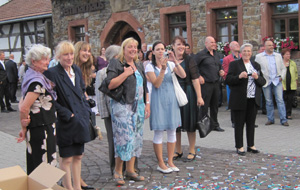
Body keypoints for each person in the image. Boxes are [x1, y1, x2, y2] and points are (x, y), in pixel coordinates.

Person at [44, 41, 91, 190]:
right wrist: (67, 114)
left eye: (71, 54)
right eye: (66, 54)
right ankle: (68, 188)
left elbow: (82, 91)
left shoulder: (76, 70)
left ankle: (77, 187)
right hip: (65, 121)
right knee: (67, 158)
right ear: (58, 56)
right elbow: (49, 99)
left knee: (78, 156)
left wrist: (85, 109)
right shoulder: (51, 73)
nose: (69, 57)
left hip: (80, 119)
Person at [105, 37, 150, 185]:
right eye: (129, 47)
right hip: (122, 107)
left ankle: (130, 170)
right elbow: (110, 85)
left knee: (136, 138)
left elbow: (144, 87)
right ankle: (118, 171)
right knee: (123, 139)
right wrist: (125, 73)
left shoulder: (138, 63)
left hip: (139, 106)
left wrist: (147, 104)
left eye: (135, 47)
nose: (132, 49)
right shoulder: (116, 63)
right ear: (123, 49)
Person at [145, 41, 186, 173]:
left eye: (163, 49)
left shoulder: (171, 64)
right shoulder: (149, 67)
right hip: (157, 100)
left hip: (171, 99)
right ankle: (160, 162)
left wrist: (175, 61)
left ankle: (170, 161)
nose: (161, 51)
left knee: (172, 130)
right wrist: (162, 69)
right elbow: (156, 84)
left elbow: (183, 75)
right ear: (153, 52)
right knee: (158, 131)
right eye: (158, 49)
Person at [16, 44, 57, 174]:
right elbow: (23, 108)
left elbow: (22, 104)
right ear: (34, 61)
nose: (47, 62)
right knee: (43, 168)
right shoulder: (36, 82)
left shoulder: (32, 76)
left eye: (48, 58)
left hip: (42, 127)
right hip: (41, 129)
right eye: (44, 59)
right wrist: (23, 126)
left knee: (41, 167)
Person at [225, 43, 266, 156]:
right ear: (241, 53)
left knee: (251, 123)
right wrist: (239, 77)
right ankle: (239, 146)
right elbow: (228, 80)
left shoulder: (256, 65)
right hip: (239, 98)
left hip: (252, 99)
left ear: (251, 53)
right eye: (244, 51)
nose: (246, 53)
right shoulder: (235, 64)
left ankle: (251, 145)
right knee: (239, 123)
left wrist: (257, 78)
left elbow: (263, 82)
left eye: (248, 51)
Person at [171, 36, 204, 162]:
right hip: (173, 93)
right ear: (172, 46)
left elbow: (195, 79)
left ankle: (191, 149)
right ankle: (178, 150)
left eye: (183, 44)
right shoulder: (168, 60)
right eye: (178, 44)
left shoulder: (189, 59)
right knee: (176, 125)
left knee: (190, 122)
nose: (181, 47)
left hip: (188, 92)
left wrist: (199, 96)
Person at [95, 45, 120, 175]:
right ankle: (113, 166)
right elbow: (100, 96)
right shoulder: (102, 73)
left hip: (122, 112)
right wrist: (104, 113)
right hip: (109, 112)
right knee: (112, 140)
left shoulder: (123, 69)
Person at [194, 36, 225, 132]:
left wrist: (221, 71)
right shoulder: (200, 55)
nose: (214, 44)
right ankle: (203, 125)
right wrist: (199, 76)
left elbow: (219, 66)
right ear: (206, 43)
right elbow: (194, 67)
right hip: (205, 83)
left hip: (215, 82)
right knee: (204, 105)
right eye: (211, 42)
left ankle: (215, 124)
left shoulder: (217, 55)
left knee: (215, 105)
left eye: (214, 42)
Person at [255, 40, 289, 126]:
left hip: (277, 81)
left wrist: (282, 76)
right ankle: (270, 119)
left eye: (272, 45)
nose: (271, 47)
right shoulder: (259, 57)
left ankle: (283, 120)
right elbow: (256, 69)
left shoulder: (278, 56)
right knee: (268, 101)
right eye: (269, 45)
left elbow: (283, 68)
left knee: (280, 100)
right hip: (266, 81)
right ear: (265, 47)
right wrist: (259, 79)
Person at [74, 41, 99, 117]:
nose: (87, 53)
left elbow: (82, 88)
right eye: (84, 50)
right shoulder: (71, 67)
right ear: (78, 51)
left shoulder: (85, 68)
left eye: (89, 51)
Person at [222, 41, 241, 128]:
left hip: (242, 82)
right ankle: (234, 121)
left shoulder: (241, 56)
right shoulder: (227, 59)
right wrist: (229, 80)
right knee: (233, 102)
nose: (238, 46)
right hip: (233, 82)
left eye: (238, 45)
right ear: (231, 48)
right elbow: (226, 72)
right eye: (236, 45)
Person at [281, 48, 298, 120]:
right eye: (287, 54)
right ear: (283, 55)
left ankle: (288, 114)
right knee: (283, 99)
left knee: (290, 100)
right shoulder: (280, 63)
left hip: (291, 84)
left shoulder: (293, 63)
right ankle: (282, 113)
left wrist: (296, 81)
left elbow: (296, 73)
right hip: (283, 84)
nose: (288, 56)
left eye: (289, 54)